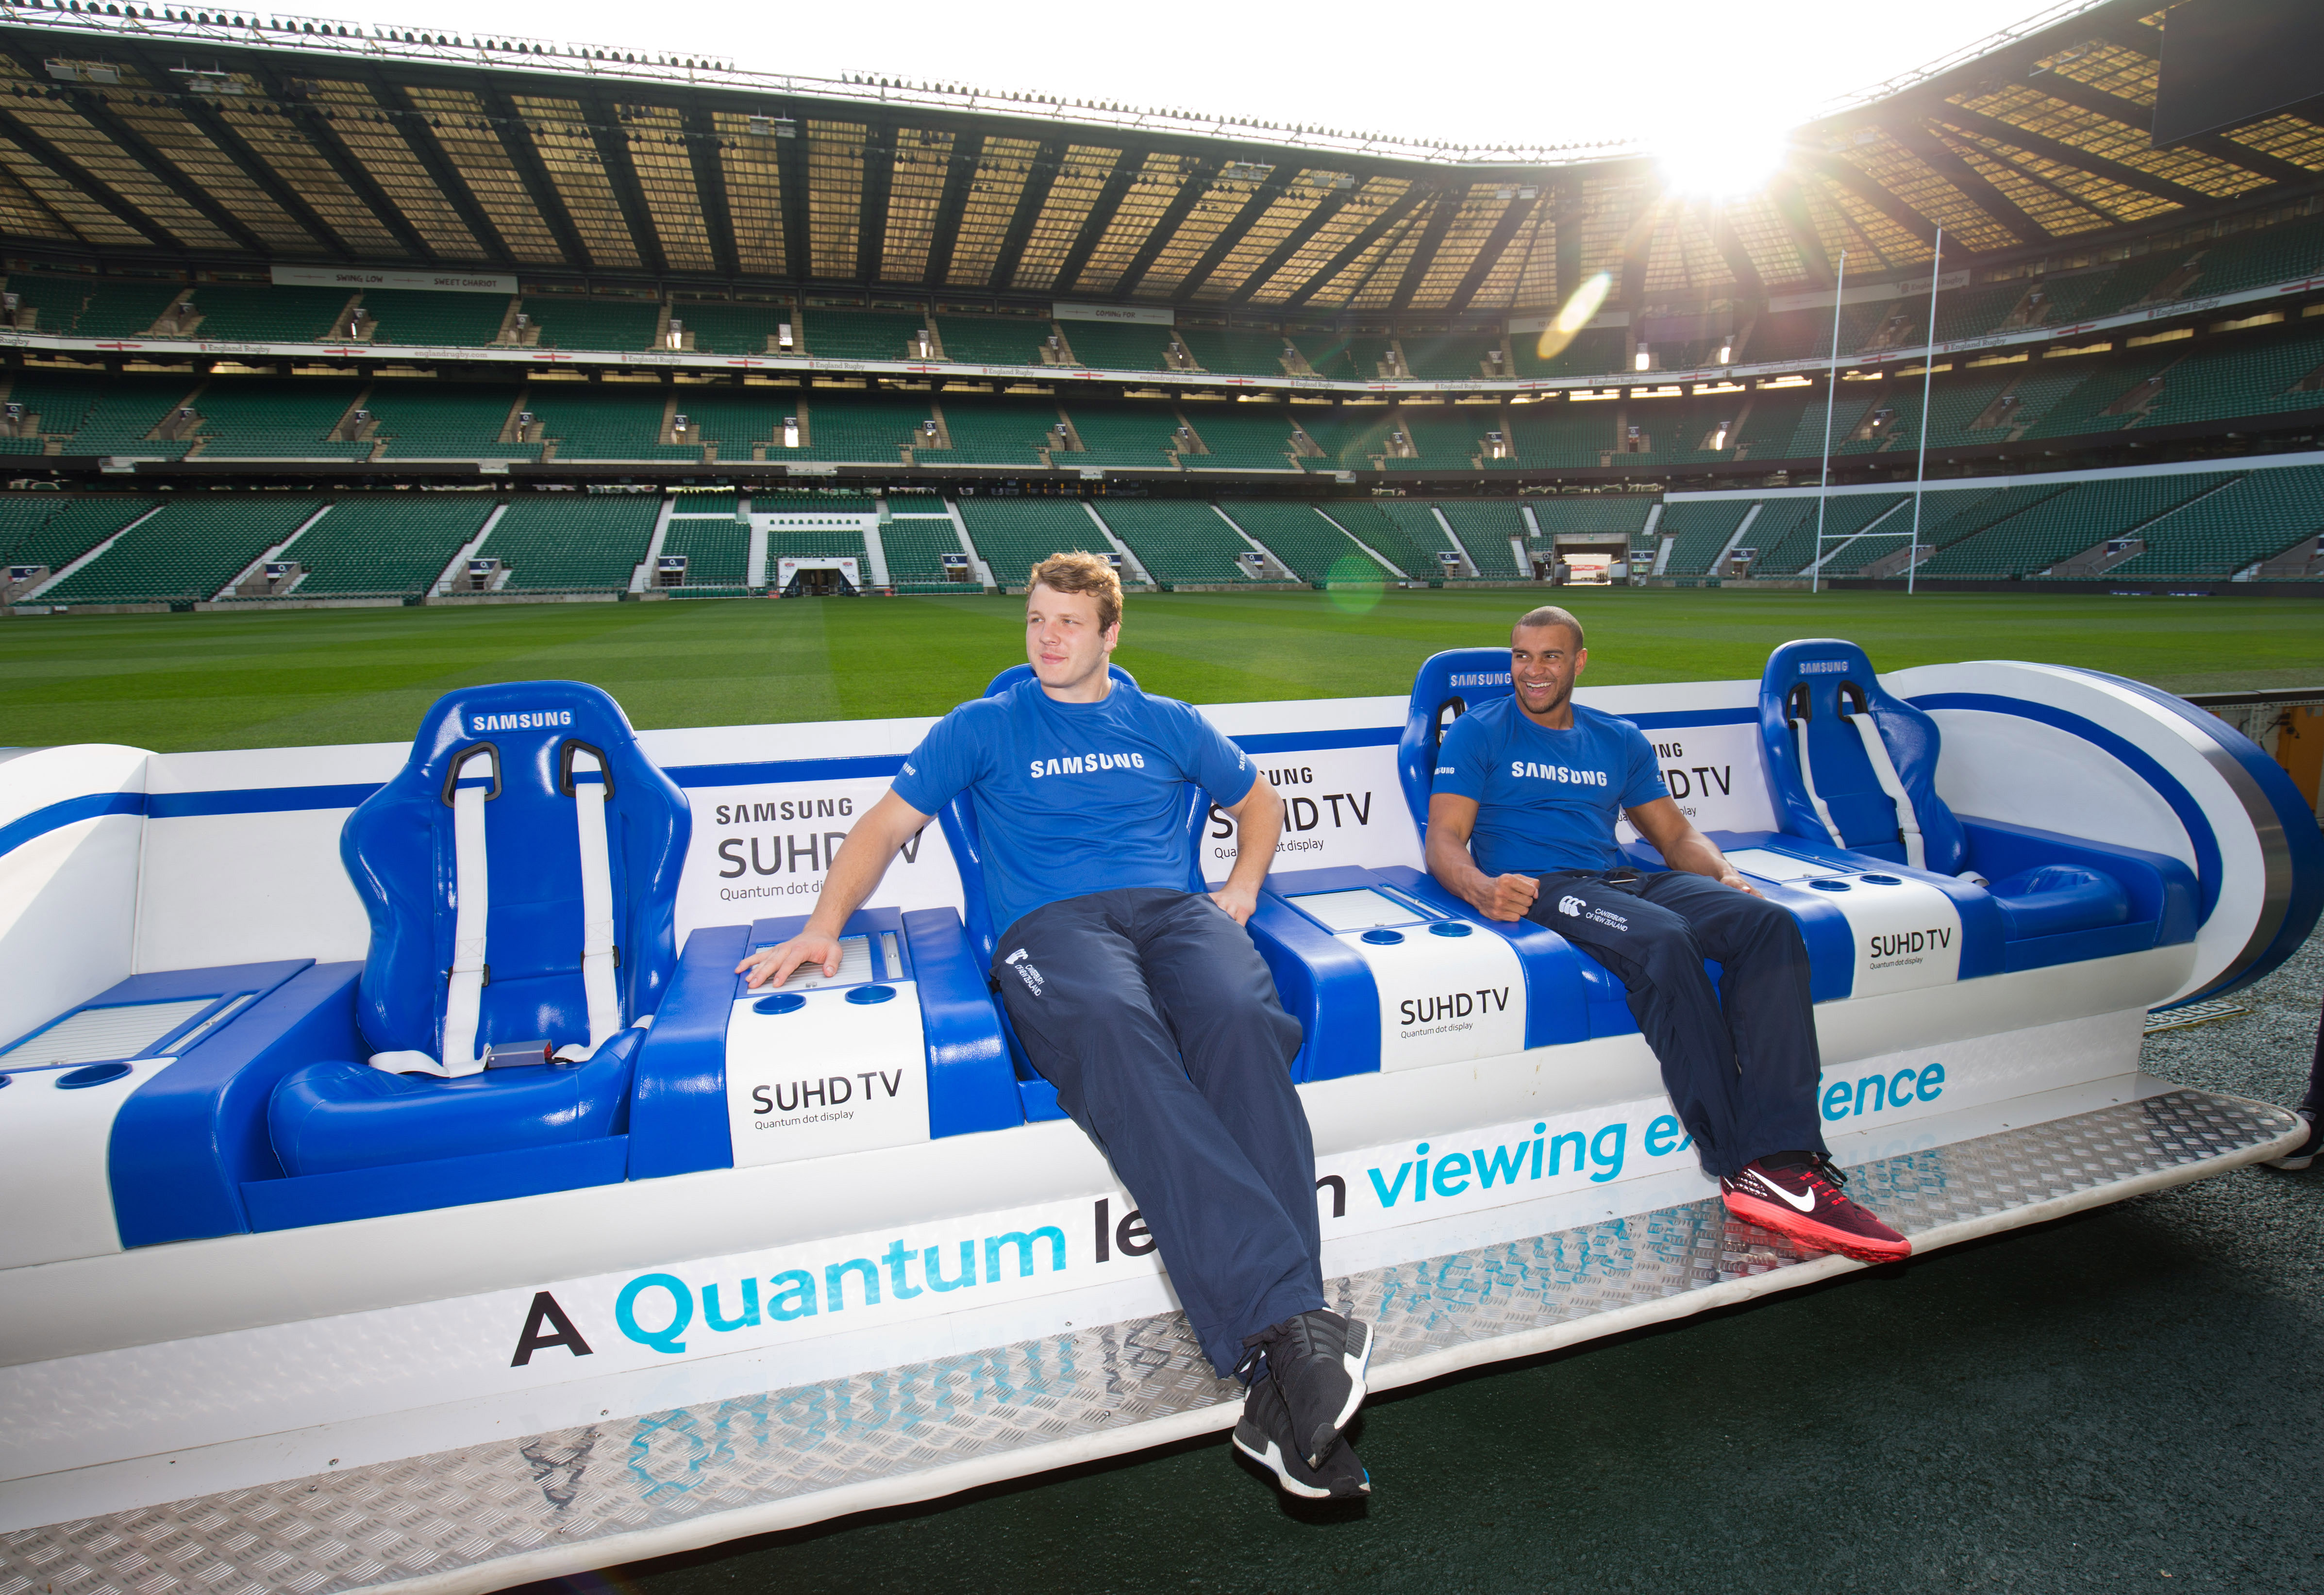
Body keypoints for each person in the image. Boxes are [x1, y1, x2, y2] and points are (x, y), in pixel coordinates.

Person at [737, 551, 1372, 1501]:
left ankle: (1277, 1382)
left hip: (1175, 912)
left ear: (1111, 633)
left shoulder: (1166, 721)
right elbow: (881, 826)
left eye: (1068, 623)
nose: (1047, 638)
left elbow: (1258, 801)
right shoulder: (985, 724)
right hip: (1053, 928)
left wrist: (1240, 889)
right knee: (1119, 1032)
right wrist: (823, 927)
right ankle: (1296, 1339)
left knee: (1243, 1017)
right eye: (1036, 619)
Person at [1423, 605, 1911, 1264]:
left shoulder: (1616, 737)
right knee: (1665, 941)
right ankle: (1744, 1162)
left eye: (1549, 657)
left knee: (1768, 925)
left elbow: (1675, 835)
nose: (1532, 672)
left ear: (1580, 662)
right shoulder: (1480, 733)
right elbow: (1443, 841)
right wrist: (1482, 886)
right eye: (1521, 656)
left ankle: (1788, 1156)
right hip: (1548, 887)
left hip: (1623, 877)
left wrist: (1726, 875)